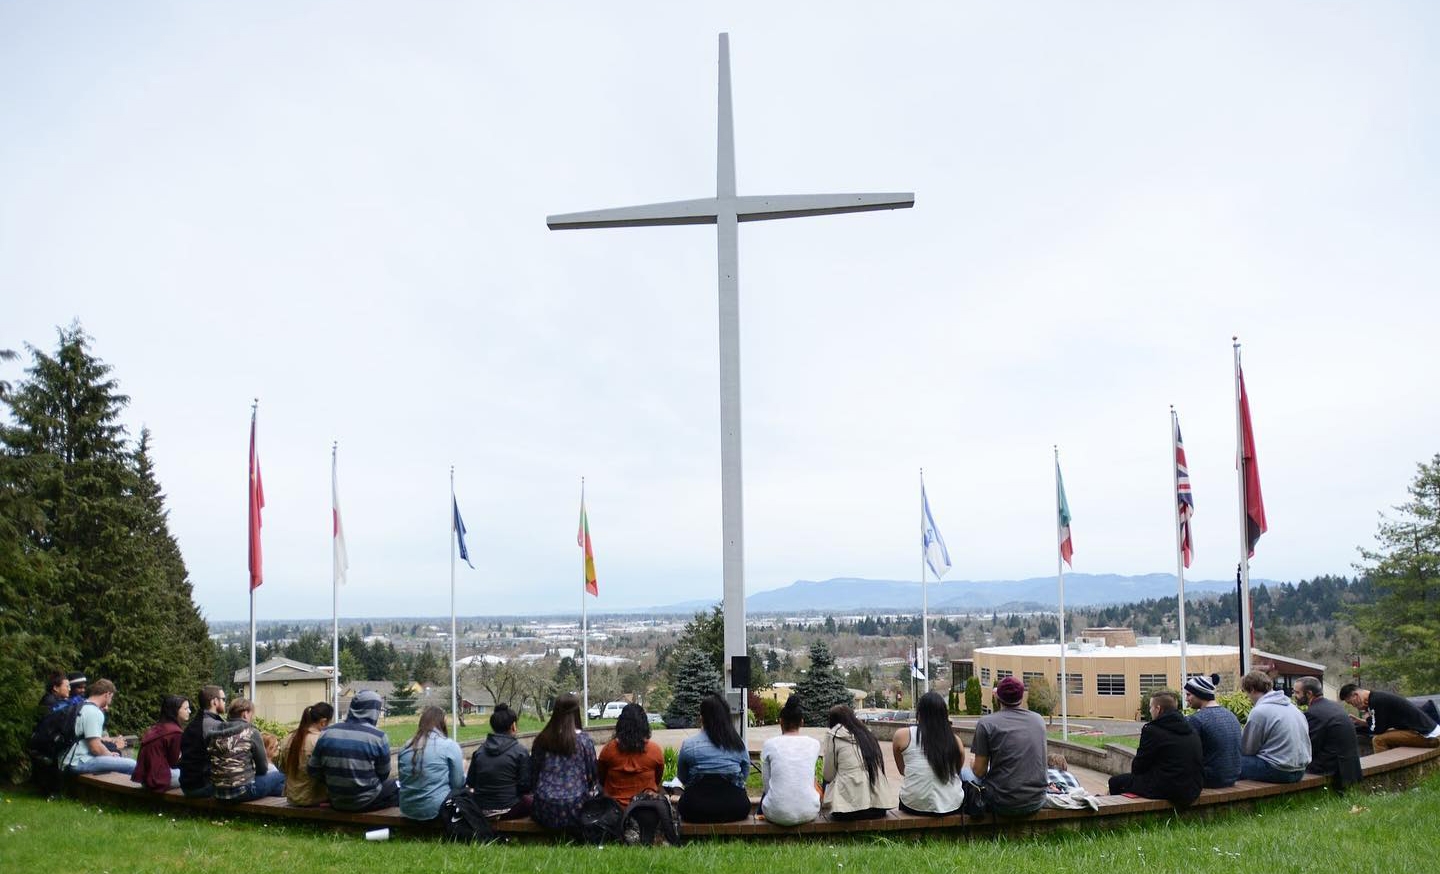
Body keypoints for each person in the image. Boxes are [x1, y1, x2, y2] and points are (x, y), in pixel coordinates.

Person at [1107, 690, 1203, 806]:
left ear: (1158, 709)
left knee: (1116, 782)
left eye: (1150, 707)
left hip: (1169, 788)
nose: (1150, 711)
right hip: (1193, 787)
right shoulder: (1190, 728)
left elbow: (1139, 767)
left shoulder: (1152, 730)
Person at [309, 690, 397, 812]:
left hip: (336, 799)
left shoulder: (327, 732)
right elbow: (383, 773)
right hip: (366, 801)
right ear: (374, 710)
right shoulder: (378, 737)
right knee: (394, 785)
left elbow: (313, 769)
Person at [971, 676, 1047, 815]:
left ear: (997, 698)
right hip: (1036, 800)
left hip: (1001, 802)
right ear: (1022, 697)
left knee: (965, 774)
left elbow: (979, 771)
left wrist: (972, 765)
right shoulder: (1038, 720)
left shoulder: (986, 723)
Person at [676, 693, 752, 823]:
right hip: (735, 807)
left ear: (702, 717)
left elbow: (682, 777)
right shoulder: (738, 744)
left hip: (695, 808)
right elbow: (744, 775)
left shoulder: (689, 745)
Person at [529, 693, 598, 831]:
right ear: (577, 712)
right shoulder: (584, 741)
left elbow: (533, 774)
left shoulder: (542, 739)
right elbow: (592, 776)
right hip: (576, 808)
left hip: (544, 808)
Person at [891, 690, 966, 816]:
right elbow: (957, 771)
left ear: (919, 713)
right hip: (951, 805)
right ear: (944, 715)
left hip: (913, 804)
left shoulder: (902, 736)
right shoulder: (955, 741)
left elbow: (902, 770)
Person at [822, 704, 897, 821]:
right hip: (878, 808)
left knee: (826, 780)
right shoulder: (867, 734)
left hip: (848, 810)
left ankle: (823, 808)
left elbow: (828, 774)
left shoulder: (833, 736)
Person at [1239, 671, 1311, 783]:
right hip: (1300, 771)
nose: (1247, 697)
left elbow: (1247, 749)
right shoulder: (1293, 708)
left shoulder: (1260, 711)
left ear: (1252, 689)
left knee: (1228, 762)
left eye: (1245, 692)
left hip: (1279, 771)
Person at [759, 696, 821, 826]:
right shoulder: (814, 744)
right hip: (809, 811)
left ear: (780, 722)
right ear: (802, 722)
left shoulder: (769, 744)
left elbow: (766, 786)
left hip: (776, 813)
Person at [209, 697, 285, 802]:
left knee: (272, 784)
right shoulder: (251, 732)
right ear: (245, 713)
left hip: (218, 792)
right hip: (242, 792)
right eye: (251, 714)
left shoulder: (214, 732)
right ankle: (295, 795)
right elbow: (262, 768)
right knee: (280, 776)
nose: (252, 717)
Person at [398, 706, 465, 821]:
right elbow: (457, 785)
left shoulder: (405, 746)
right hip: (437, 809)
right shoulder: (449, 745)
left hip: (407, 809)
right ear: (443, 722)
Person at [466, 703, 533, 819]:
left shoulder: (479, 752)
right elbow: (525, 786)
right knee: (533, 800)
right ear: (513, 726)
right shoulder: (520, 752)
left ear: (493, 726)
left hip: (481, 808)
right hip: (509, 809)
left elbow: (471, 782)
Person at [1294, 677, 1361, 789]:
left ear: (1309, 693)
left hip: (1333, 768)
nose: (1294, 696)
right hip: (1350, 764)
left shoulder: (1313, 713)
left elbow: (1309, 747)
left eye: (1297, 692)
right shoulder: (1334, 706)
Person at [61, 678, 136, 776]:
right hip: (78, 762)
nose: (110, 701)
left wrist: (109, 753)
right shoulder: (94, 712)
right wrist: (110, 755)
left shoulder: (82, 706)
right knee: (132, 765)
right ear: (107, 694)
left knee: (118, 760)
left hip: (68, 758)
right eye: (111, 697)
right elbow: (95, 748)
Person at [597, 702, 664, 807]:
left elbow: (601, 778)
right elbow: (657, 779)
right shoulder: (655, 751)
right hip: (646, 810)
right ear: (645, 725)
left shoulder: (608, 750)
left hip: (614, 811)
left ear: (620, 724)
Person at [1340, 683, 1440, 753]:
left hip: (1428, 735)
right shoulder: (1377, 698)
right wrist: (1361, 722)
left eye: (1351, 703)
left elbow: (1377, 730)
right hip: (1428, 731)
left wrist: (1367, 718)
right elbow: (1380, 724)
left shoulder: (1376, 701)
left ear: (1356, 696)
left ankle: (1384, 773)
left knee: (1378, 740)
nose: (1353, 706)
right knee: (1388, 736)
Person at [1184, 673, 1241, 788]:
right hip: (1233, 776)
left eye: (1189, 694)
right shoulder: (1231, 715)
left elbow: (1189, 754)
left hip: (1210, 778)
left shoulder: (1197, 719)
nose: (1186, 699)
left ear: (1199, 694)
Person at [277, 702, 333, 806]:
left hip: (292, 797)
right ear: (323, 722)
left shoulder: (288, 738)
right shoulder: (321, 740)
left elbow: (283, 769)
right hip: (315, 798)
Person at [132, 695, 190, 792]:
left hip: (144, 779)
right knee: (195, 775)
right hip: (158, 780)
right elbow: (173, 762)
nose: (189, 711)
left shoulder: (157, 727)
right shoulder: (175, 732)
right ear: (175, 710)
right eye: (186, 708)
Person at [179, 685, 227, 798]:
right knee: (274, 777)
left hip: (187, 785)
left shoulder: (193, 724)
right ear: (215, 701)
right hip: (203, 787)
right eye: (223, 699)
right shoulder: (215, 726)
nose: (225, 702)